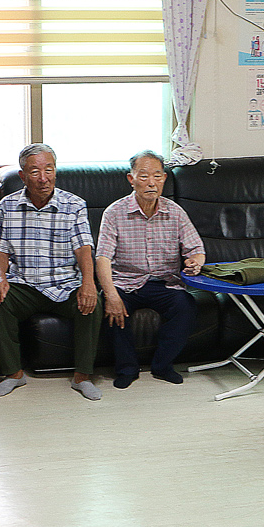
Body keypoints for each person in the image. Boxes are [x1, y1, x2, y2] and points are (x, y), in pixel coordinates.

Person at [0, 143, 103, 400]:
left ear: (56, 172)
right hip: (24, 284)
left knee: (93, 303)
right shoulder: (7, 205)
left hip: (64, 283)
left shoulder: (74, 205)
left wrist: (88, 282)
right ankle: (14, 374)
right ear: (23, 176)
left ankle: (82, 377)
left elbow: (84, 248)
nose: (43, 178)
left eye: (49, 170)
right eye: (35, 172)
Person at [95, 150, 205, 388]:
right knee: (112, 307)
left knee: (185, 306)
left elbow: (196, 248)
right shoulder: (114, 212)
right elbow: (102, 258)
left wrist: (196, 261)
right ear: (131, 179)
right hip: (125, 282)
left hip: (164, 283)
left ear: (164, 179)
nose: (151, 182)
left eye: (157, 176)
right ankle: (127, 369)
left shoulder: (174, 211)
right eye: (143, 176)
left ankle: (163, 365)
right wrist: (112, 294)